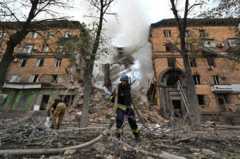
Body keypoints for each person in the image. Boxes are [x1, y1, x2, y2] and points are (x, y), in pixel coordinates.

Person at [110, 75, 140, 141]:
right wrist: (114, 96)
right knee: (119, 121)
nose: (123, 82)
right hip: (120, 108)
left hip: (128, 108)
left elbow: (131, 99)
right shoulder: (117, 88)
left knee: (133, 122)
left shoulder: (129, 88)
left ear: (127, 81)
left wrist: (130, 107)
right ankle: (118, 137)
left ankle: (137, 136)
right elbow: (111, 99)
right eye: (122, 81)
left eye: (124, 81)